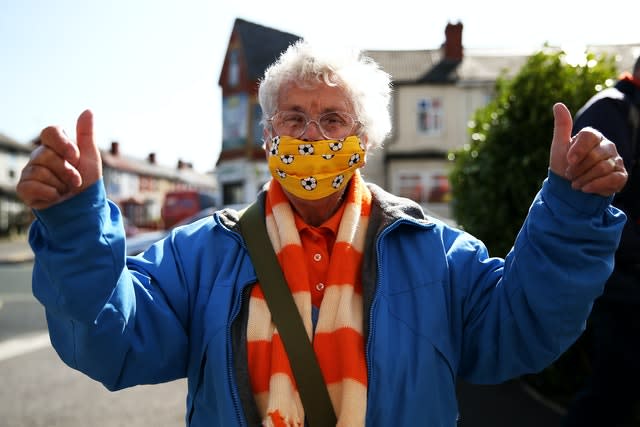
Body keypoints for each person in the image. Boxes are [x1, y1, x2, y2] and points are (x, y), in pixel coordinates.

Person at [17, 40, 628, 427]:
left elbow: (518, 329)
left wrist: (570, 212)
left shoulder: (435, 253)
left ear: (362, 143)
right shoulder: (200, 253)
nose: (311, 135)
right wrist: (74, 224)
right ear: (268, 137)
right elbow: (112, 341)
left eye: (332, 119)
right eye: (294, 117)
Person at [563, 56, 640, 427]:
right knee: (611, 394)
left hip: (626, 278)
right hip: (623, 286)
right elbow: (596, 204)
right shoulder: (612, 110)